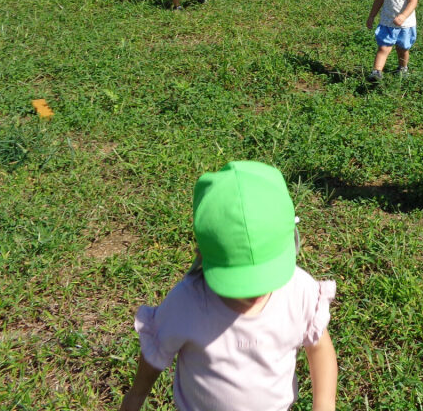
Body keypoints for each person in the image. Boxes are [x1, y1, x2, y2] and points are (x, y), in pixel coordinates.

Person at [119, 161, 337, 411]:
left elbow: (319, 347)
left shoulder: (299, 290)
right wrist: (135, 397)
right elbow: (155, 353)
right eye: (239, 282)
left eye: (266, 278)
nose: (254, 291)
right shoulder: (188, 302)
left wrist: (324, 404)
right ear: (201, 255)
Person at [365, 0, 420, 82]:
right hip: (386, 22)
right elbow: (379, 0)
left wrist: (403, 16)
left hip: (405, 25)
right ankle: (376, 72)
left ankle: (402, 68)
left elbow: (413, 2)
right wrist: (372, 15)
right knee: (383, 47)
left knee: (402, 48)